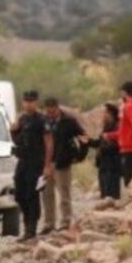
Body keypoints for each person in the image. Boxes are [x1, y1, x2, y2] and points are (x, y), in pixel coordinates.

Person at [9, 90, 53, 241]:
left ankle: (31, 229)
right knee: (19, 193)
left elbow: (49, 143)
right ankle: (27, 224)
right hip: (23, 161)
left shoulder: (42, 120)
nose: (28, 104)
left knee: (31, 194)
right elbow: (17, 141)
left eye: (31, 101)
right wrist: (13, 131)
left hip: (36, 162)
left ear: (36, 102)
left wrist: (47, 165)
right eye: (26, 101)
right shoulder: (22, 119)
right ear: (23, 102)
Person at [40, 97, 87, 234]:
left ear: (57, 107)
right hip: (47, 163)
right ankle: (49, 223)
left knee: (64, 194)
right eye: (48, 110)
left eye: (52, 110)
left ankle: (65, 221)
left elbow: (83, 137)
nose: (50, 113)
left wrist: (79, 156)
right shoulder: (44, 121)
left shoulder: (69, 121)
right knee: (46, 194)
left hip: (63, 163)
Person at [106, 81, 132, 186]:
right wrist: (110, 135)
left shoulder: (129, 107)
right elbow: (128, 129)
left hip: (130, 149)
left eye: (122, 92)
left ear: (125, 93)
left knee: (130, 181)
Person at [93, 103, 122, 199]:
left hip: (112, 164)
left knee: (111, 194)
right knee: (104, 192)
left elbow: (116, 145)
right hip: (103, 164)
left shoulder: (116, 127)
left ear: (111, 114)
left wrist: (103, 148)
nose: (103, 115)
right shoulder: (106, 127)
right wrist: (88, 141)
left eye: (105, 112)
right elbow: (100, 142)